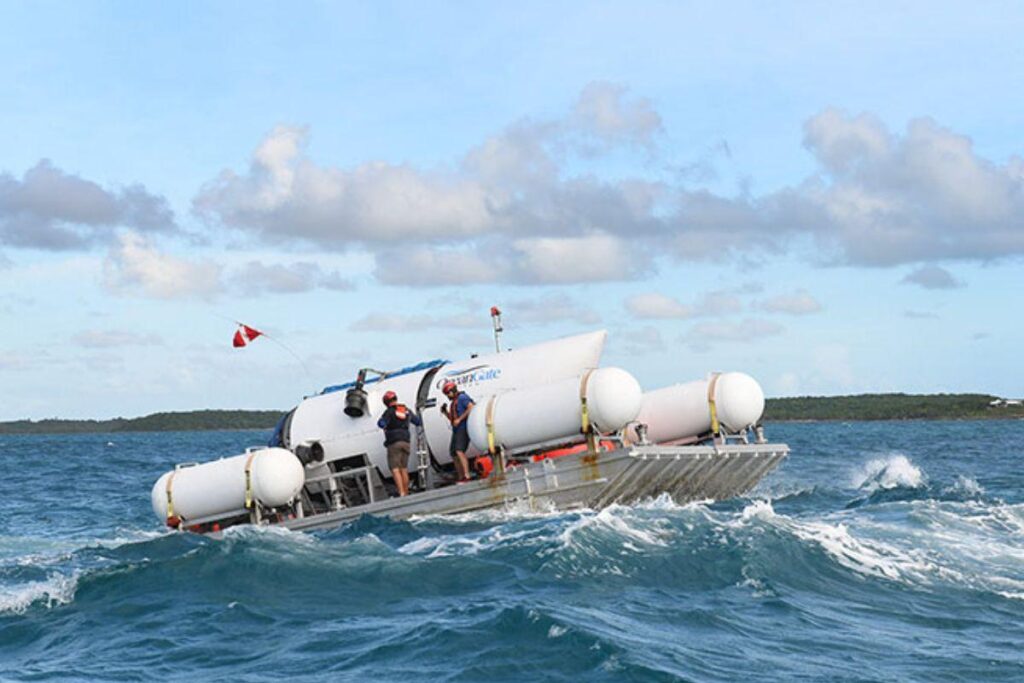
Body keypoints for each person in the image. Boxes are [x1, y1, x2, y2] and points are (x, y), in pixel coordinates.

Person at [376, 390, 421, 497]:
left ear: (386, 402)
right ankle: (406, 491)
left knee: (395, 469)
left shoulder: (389, 412)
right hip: (406, 441)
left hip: (393, 443)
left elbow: (381, 423)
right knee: (404, 468)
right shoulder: (406, 410)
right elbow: (418, 421)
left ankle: (401, 493)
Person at [440, 380, 475, 482]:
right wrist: (445, 412)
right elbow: (453, 419)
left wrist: (460, 419)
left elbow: (471, 407)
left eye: (448, 393)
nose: (447, 396)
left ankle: (466, 475)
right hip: (456, 430)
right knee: (454, 453)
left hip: (463, 428)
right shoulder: (453, 403)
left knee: (459, 451)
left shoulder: (462, 398)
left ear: (453, 390)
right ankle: (461, 476)